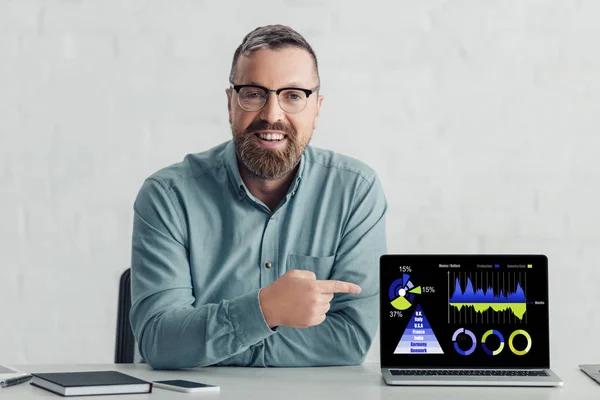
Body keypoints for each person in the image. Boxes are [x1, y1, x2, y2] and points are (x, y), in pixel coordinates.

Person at [129, 24, 387, 369]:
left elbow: (348, 341)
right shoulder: (167, 196)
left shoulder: (355, 192)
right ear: (230, 103)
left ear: (317, 109)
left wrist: (212, 343)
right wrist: (267, 310)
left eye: (293, 95)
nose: (272, 114)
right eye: (253, 93)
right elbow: (160, 342)